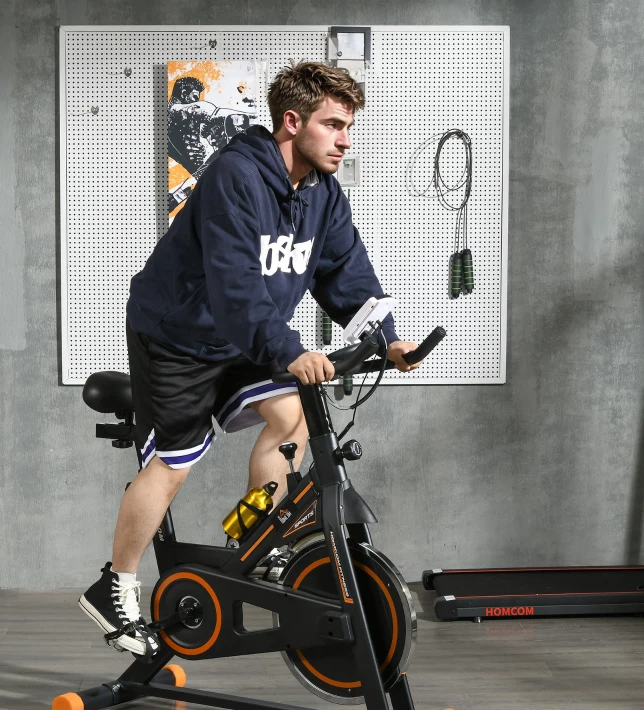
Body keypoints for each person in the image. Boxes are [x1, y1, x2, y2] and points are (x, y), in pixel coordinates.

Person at [79, 62, 423, 656]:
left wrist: (387, 338)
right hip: (178, 336)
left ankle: (263, 548)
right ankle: (116, 584)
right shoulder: (236, 177)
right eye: (334, 125)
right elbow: (235, 287)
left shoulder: (321, 193)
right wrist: (291, 351)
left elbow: (347, 274)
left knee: (290, 419)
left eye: (349, 126)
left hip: (243, 334)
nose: (346, 139)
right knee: (174, 463)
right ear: (292, 122)